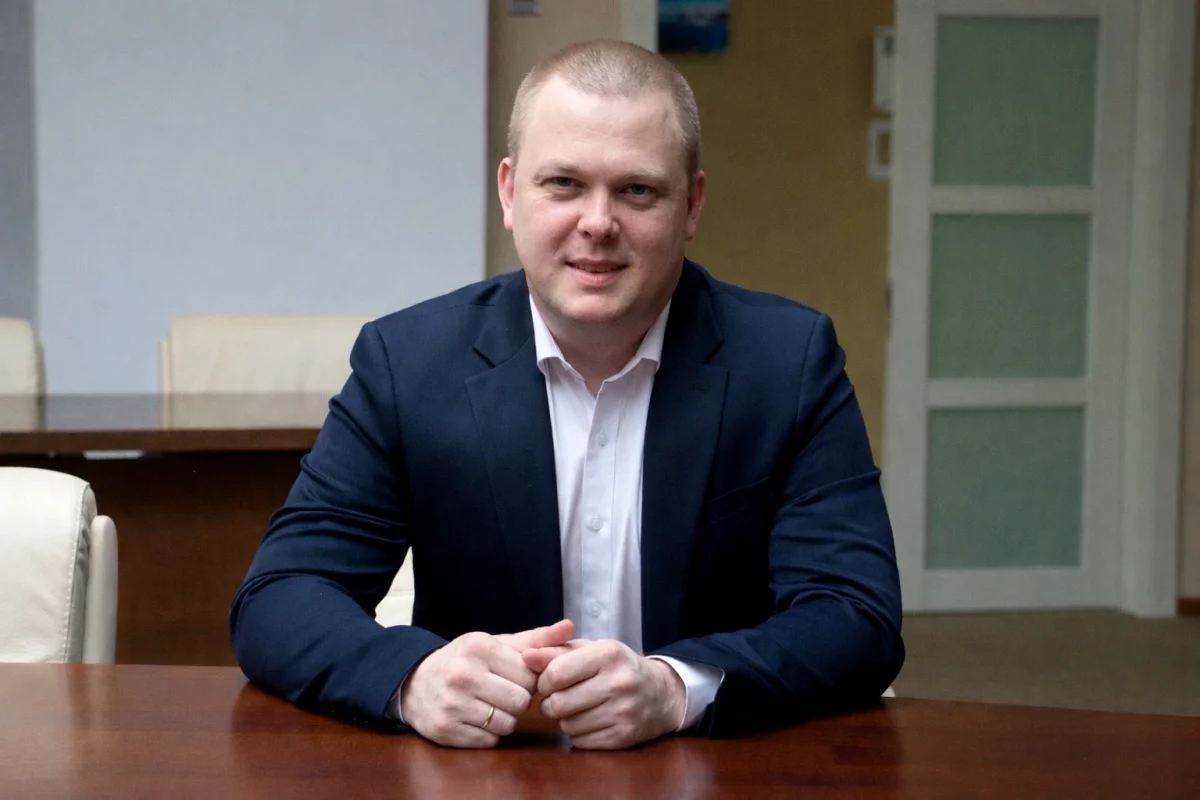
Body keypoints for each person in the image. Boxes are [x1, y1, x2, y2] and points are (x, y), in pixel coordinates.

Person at [230, 39, 903, 750]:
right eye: (564, 184)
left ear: (692, 204)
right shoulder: (408, 363)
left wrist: (676, 688)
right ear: (509, 192)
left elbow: (856, 615)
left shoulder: (788, 363)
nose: (598, 223)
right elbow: (280, 596)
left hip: (709, 770)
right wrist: (414, 676)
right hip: (486, 774)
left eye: (637, 190)